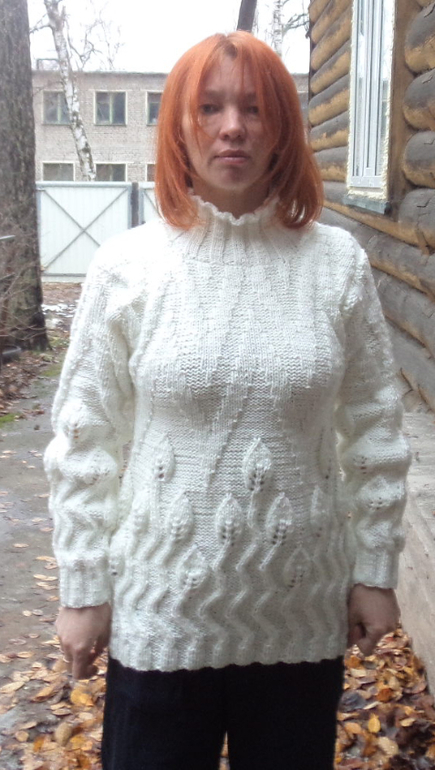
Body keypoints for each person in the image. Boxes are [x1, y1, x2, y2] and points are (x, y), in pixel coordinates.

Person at [44, 31, 411, 770]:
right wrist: (83, 588)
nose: (232, 127)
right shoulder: (128, 266)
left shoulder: (335, 265)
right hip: (161, 613)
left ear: (282, 128)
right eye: (208, 107)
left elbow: (376, 430)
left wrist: (374, 571)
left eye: (253, 108)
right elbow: (85, 439)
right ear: (179, 127)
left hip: (298, 614)